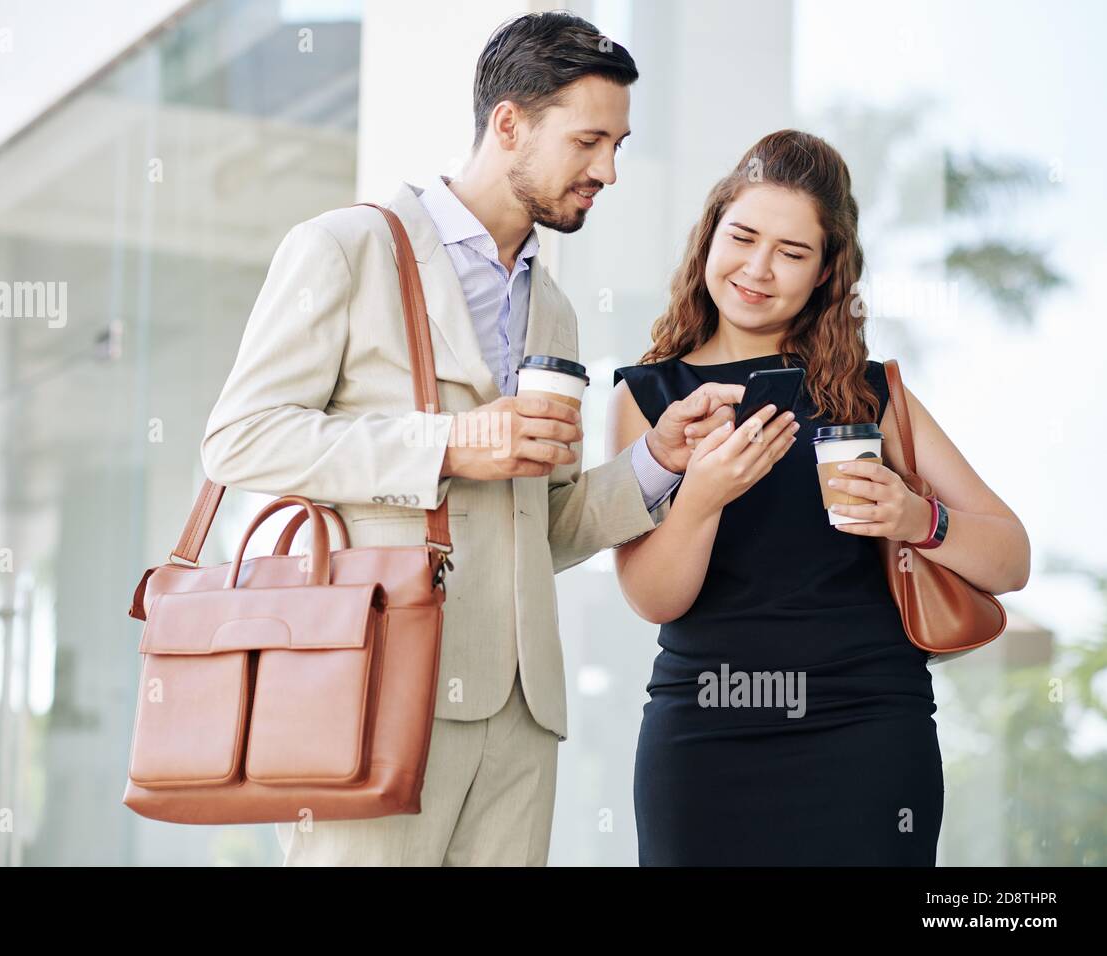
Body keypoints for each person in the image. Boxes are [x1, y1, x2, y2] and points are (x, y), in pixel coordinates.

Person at [200, 11, 727, 865]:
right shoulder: (347, 248)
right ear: (508, 123)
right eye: (589, 141)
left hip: (522, 717)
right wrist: (447, 446)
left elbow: (540, 525)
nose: (608, 171)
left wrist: (655, 461)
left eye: (619, 146)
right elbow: (240, 437)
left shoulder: (553, 305)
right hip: (376, 692)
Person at [608, 129, 1031, 866]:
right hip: (705, 734)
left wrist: (916, 518)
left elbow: (1012, 558)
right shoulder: (649, 398)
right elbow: (652, 598)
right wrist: (703, 496)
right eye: (743, 237)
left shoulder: (870, 393)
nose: (758, 269)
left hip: (868, 733)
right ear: (710, 235)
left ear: (826, 272)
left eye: (792, 252)